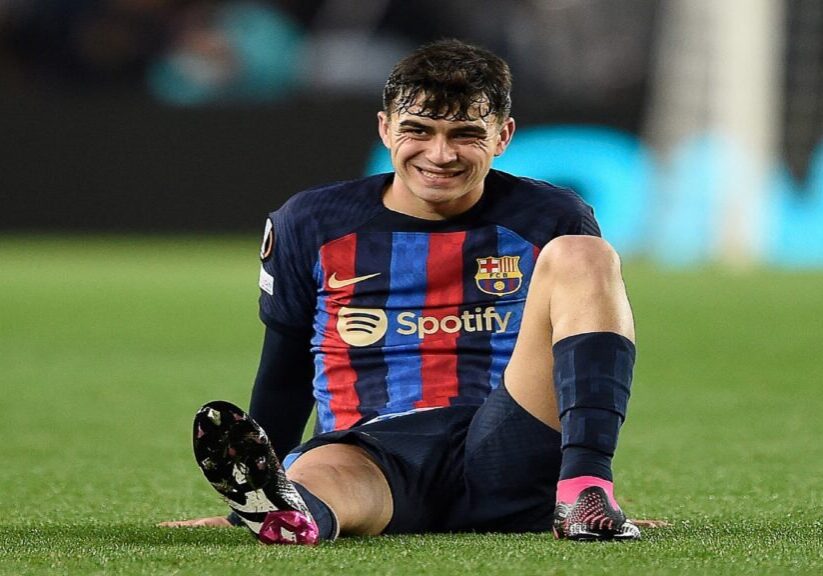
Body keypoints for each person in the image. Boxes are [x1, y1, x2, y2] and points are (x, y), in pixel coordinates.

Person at [161, 39, 641, 543]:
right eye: (418, 130)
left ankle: (586, 492)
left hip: (507, 444)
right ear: (385, 128)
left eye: (465, 135)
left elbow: (582, 355)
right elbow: (285, 372)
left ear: (503, 137)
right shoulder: (313, 222)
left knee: (585, 255)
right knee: (318, 486)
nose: (440, 154)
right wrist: (248, 503)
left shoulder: (551, 216)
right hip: (372, 453)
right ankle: (288, 512)